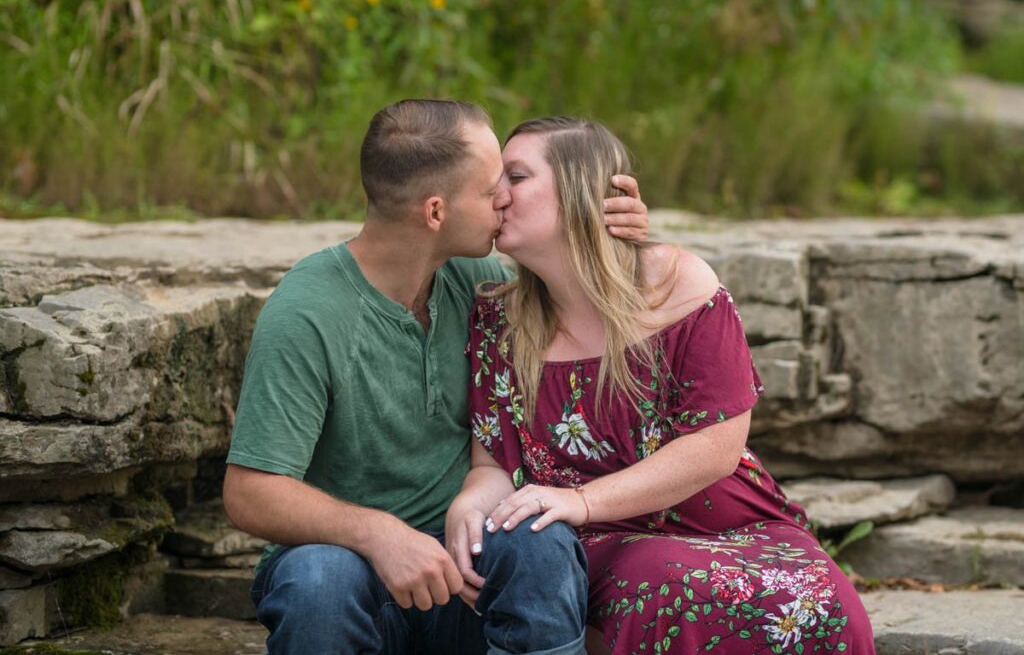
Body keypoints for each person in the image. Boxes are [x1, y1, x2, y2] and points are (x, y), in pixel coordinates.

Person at [221, 100, 650, 654]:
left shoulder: (478, 280)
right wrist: (379, 535)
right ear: (434, 213)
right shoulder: (306, 313)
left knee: (536, 541)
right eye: (489, 188)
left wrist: (617, 235)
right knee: (319, 579)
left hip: (465, 572)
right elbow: (249, 493)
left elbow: (590, 295)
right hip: (355, 578)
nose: (504, 198)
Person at [454, 117, 875, 654]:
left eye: (516, 176)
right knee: (661, 581)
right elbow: (491, 463)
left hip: (727, 523)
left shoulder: (678, 284)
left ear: (581, 189)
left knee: (824, 597)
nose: (498, 195)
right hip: (588, 541)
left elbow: (715, 448)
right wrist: (467, 506)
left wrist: (581, 498)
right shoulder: (498, 319)